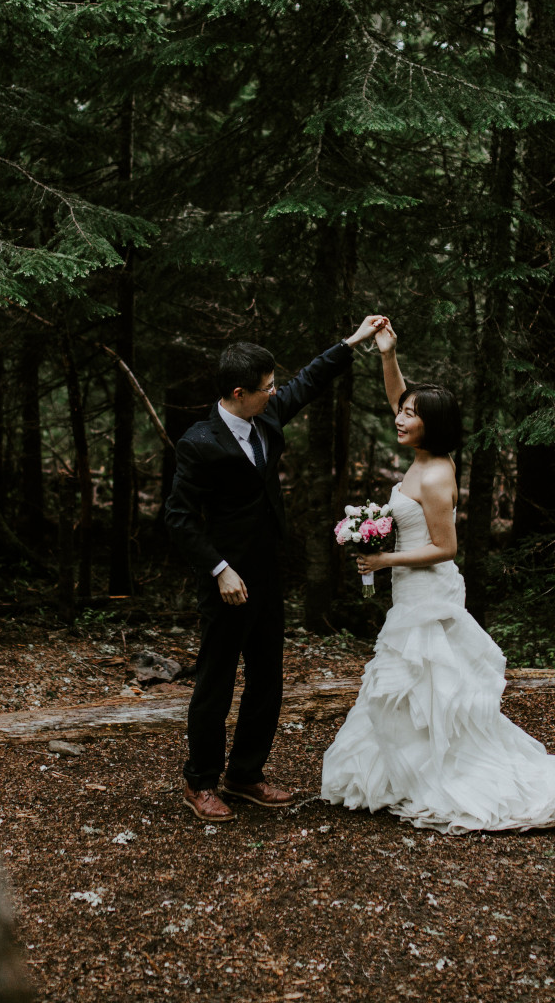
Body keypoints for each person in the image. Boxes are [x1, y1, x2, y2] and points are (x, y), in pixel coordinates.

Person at [318, 320, 555, 833]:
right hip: (411, 592)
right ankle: (408, 772)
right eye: (403, 410)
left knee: (428, 682)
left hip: (427, 591)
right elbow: (401, 399)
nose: (400, 417)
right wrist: (388, 355)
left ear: (430, 425)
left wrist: (384, 561)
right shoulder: (421, 455)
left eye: (411, 415)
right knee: (411, 686)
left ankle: (437, 773)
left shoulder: (437, 475)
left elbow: (446, 547)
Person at [165, 316, 389, 822]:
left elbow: (308, 381)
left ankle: (244, 774)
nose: (275, 393)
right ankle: (198, 780)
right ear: (239, 392)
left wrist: (351, 341)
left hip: (267, 573)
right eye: (267, 388)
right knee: (216, 682)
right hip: (226, 581)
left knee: (268, 678)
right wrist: (220, 569)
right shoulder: (198, 442)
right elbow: (178, 518)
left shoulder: (266, 418)